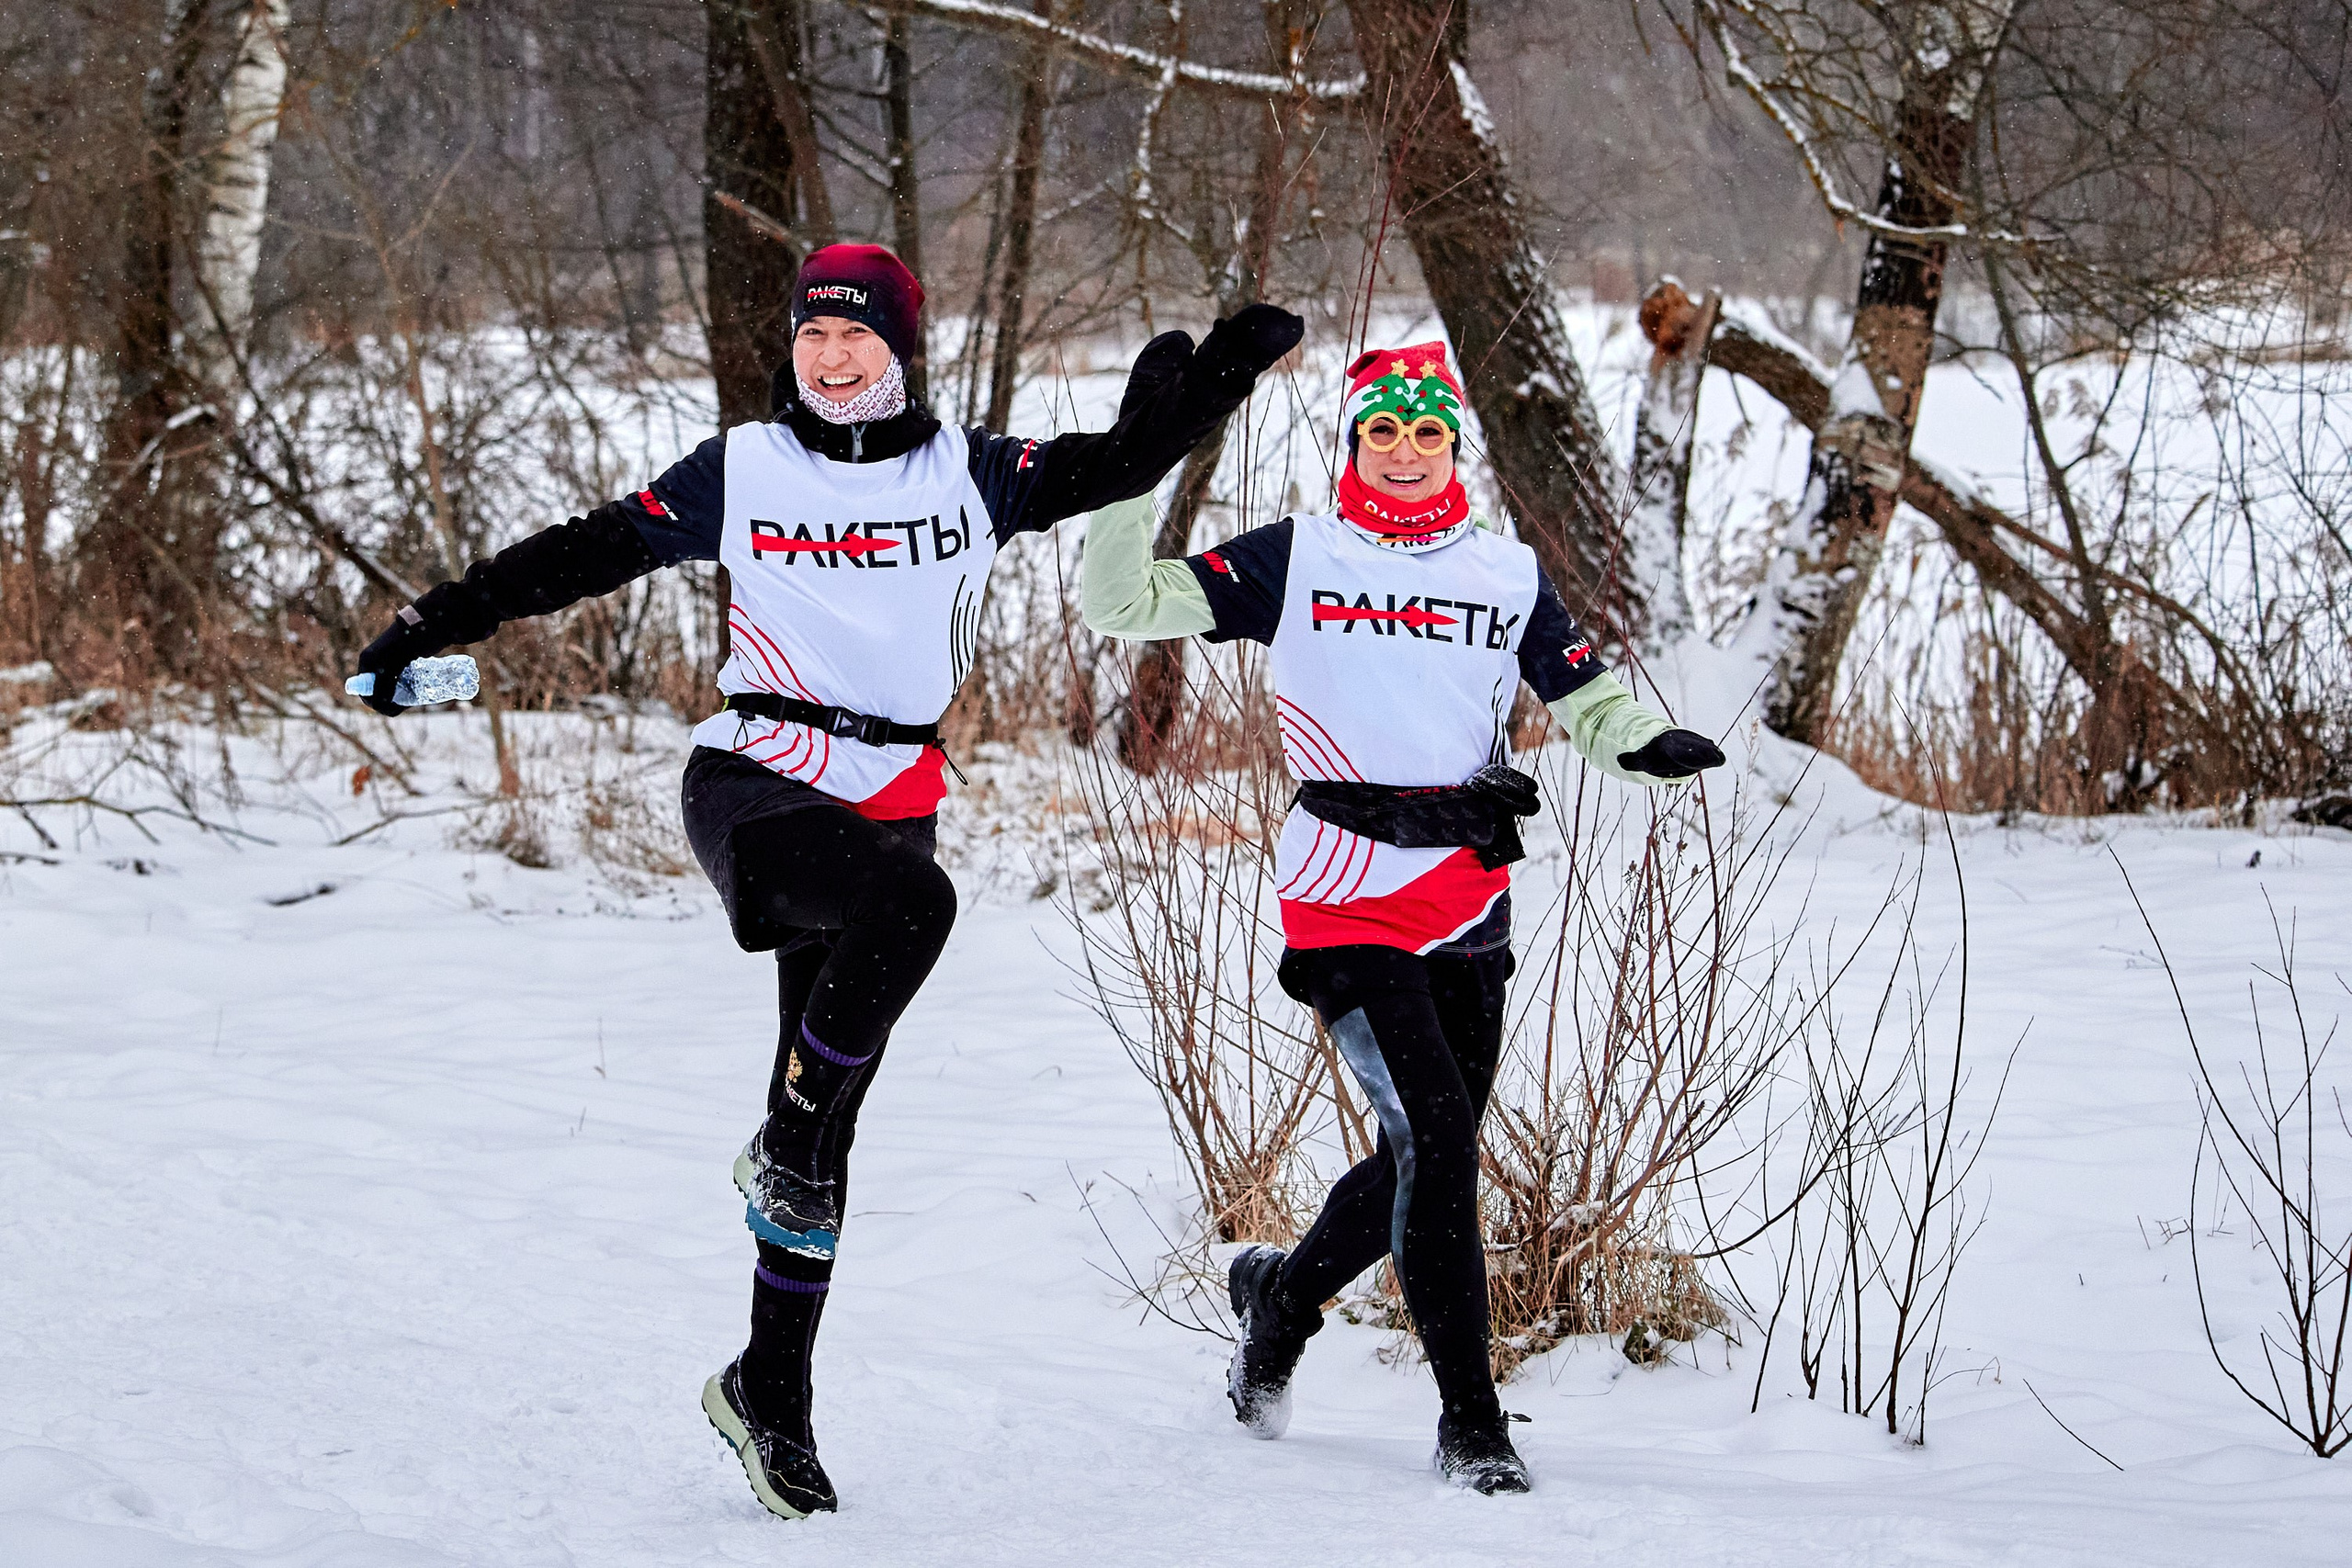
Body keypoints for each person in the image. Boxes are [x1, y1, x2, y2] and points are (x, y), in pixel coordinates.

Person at [352, 242, 1304, 1519]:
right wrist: (431, 624)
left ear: (901, 347)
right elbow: (579, 553)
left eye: (856, 337)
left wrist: (1222, 375)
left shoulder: (971, 471)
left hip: (888, 798)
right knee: (897, 951)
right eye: (812, 337)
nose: (833, 356)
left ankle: (771, 1392)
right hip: (756, 775)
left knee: (825, 1122)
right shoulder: (745, 468)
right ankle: (782, 1153)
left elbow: (1120, 465)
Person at [1080, 341, 1724, 1494]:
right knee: (1435, 1136)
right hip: (1341, 887)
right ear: (1355, 442)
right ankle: (1472, 1422)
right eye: (1385, 430)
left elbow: (1585, 697)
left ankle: (1278, 1301)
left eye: (1429, 433)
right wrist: (1136, 467)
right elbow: (1122, 601)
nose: (1408, 451)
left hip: (1468, 891)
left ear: (1454, 448)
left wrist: (1641, 747)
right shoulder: (1299, 556)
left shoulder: (1504, 573)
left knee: (1423, 1151)